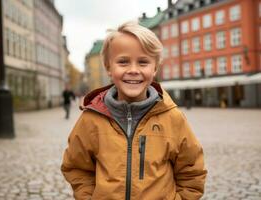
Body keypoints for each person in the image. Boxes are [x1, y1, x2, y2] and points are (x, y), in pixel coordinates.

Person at [61, 21, 207, 200]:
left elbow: (192, 171)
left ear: (155, 68)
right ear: (108, 67)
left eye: (143, 62)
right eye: (123, 62)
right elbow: (76, 167)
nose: (133, 70)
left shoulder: (172, 118)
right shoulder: (91, 119)